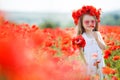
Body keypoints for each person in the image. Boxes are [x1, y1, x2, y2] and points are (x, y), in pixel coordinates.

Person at [72, 5, 106, 80]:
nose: (90, 24)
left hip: (100, 62)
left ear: (96, 22)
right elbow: (80, 53)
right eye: (87, 22)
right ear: (82, 23)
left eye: (92, 21)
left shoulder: (97, 34)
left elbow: (104, 47)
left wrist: (97, 39)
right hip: (89, 64)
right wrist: (85, 65)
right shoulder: (81, 37)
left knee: (100, 77)